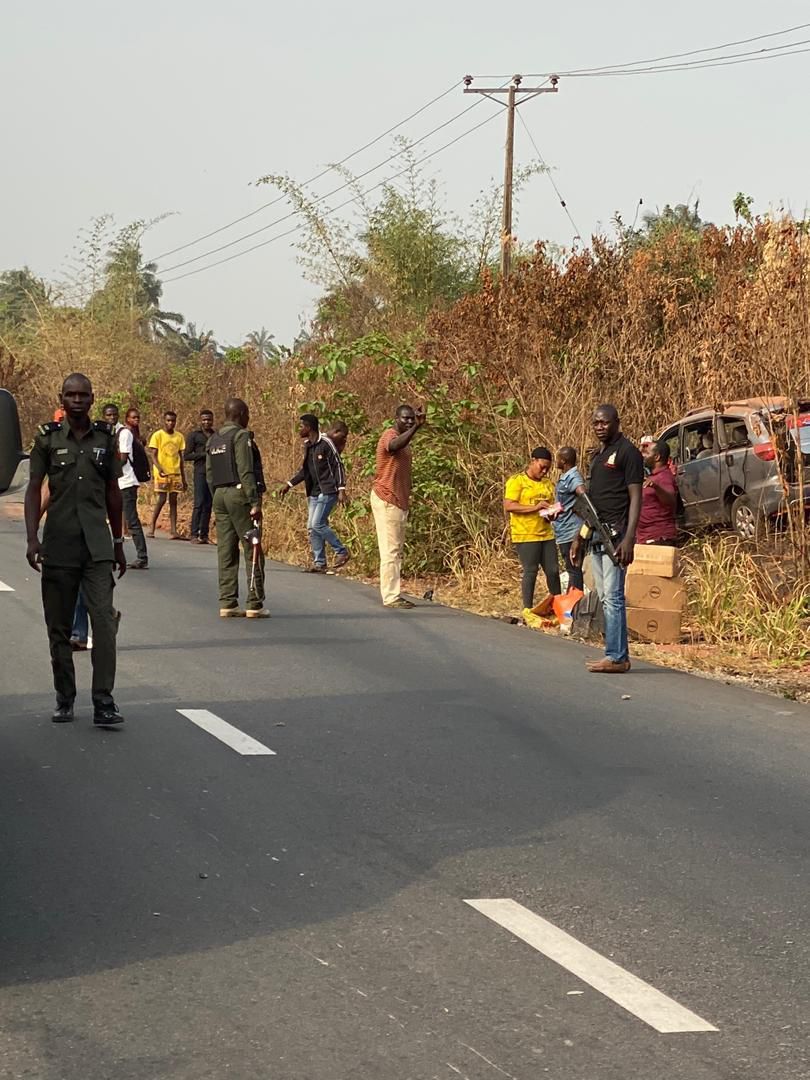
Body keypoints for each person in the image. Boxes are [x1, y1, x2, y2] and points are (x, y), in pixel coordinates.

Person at [24, 373, 126, 724]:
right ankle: (65, 697)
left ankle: (103, 702)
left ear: (93, 399)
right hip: (58, 546)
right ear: (62, 398)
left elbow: (114, 493)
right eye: (71, 395)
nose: (78, 400)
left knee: (103, 623)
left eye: (84, 395)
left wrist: (118, 542)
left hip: (97, 548)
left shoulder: (105, 439)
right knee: (59, 628)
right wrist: (32, 537)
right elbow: (34, 488)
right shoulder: (47, 440)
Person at [571, 404, 643, 675]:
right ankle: (616, 655)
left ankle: (617, 656)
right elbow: (591, 505)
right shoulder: (598, 457)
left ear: (617, 422)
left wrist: (630, 538)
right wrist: (580, 538)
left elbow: (636, 496)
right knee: (604, 596)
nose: (600, 427)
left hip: (617, 535)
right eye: (596, 423)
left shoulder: (628, 453)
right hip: (596, 535)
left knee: (613, 597)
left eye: (604, 422)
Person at [206, 398, 269, 618]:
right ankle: (255, 603)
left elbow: (209, 474)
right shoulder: (240, 436)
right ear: (241, 413)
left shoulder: (213, 438)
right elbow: (245, 469)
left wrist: (217, 497)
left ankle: (228, 601)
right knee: (252, 547)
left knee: (226, 550)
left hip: (219, 495)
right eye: (248, 413)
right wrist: (254, 501)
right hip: (238, 494)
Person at [278, 414, 350, 573]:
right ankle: (320, 563)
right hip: (314, 492)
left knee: (318, 523)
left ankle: (342, 551)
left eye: (302, 426)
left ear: (309, 427)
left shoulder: (326, 443)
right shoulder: (308, 445)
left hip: (328, 490)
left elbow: (338, 465)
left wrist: (341, 489)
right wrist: (289, 484)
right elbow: (306, 470)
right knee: (312, 527)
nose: (300, 429)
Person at [370, 404, 425, 609]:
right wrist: (416, 428)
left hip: (398, 501)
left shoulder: (406, 440)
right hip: (387, 499)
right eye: (405, 418)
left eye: (412, 418)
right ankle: (391, 596)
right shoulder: (390, 434)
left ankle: (394, 592)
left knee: (396, 550)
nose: (409, 421)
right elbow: (393, 446)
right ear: (396, 418)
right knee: (390, 551)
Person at [504, 447, 561, 612]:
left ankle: (557, 606)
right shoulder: (517, 481)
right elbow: (509, 505)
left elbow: (548, 506)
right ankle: (527, 608)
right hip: (526, 534)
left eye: (547, 469)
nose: (544, 471)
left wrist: (552, 514)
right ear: (533, 461)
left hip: (546, 534)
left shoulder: (548, 484)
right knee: (531, 571)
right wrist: (535, 507)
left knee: (553, 570)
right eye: (541, 466)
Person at [102, 403, 149, 569]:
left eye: (114, 414)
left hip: (126, 482)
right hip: (115, 483)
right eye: (108, 415)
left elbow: (122, 459)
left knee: (131, 520)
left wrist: (105, 470)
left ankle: (142, 556)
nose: (111, 418)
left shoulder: (124, 433)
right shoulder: (106, 433)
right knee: (111, 519)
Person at [147, 411, 186, 538]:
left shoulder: (179, 437)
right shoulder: (157, 435)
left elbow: (181, 457)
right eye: (168, 420)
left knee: (174, 500)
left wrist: (184, 478)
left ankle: (173, 530)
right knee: (162, 499)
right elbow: (153, 454)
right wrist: (159, 468)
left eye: (173, 421)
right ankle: (152, 525)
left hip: (175, 472)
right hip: (162, 472)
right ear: (164, 420)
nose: (170, 423)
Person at [553, 447, 586, 592]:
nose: (556, 461)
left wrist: (578, 508)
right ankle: (572, 604)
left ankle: (575, 607)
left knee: (574, 569)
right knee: (571, 568)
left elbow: (584, 495)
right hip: (563, 529)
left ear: (564, 461)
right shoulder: (566, 477)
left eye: (558, 458)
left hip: (571, 531)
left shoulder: (573, 477)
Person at [638, 441, 679, 545]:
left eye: (647, 453)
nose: (644, 456)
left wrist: (656, 487)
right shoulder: (652, 476)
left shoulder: (664, 477)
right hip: (645, 538)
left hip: (658, 538)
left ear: (656, 457)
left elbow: (670, 500)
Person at [184, 409, 215, 544]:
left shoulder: (216, 435)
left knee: (209, 503)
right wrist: (204, 454)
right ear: (200, 420)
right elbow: (187, 456)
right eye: (204, 419)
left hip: (214, 473)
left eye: (209, 419)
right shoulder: (194, 436)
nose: (206, 422)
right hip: (200, 472)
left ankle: (204, 534)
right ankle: (194, 533)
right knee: (199, 502)